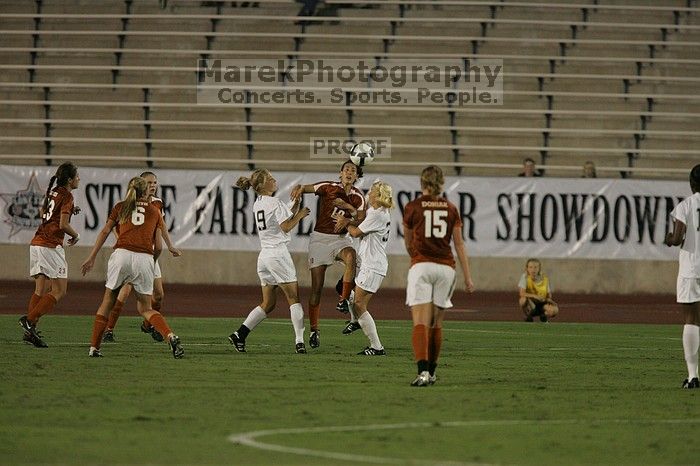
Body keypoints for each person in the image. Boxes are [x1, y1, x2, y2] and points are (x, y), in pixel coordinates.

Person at [81, 176, 184, 359]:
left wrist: (91, 257)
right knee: (146, 308)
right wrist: (151, 262)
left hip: (121, 255)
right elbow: (158, 246)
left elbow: (105, 231)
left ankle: (94, 348)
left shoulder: (121, 206)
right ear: (146, 192)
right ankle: (169, 335)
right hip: (144, 258)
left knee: (107, 302)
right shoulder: (154, 211)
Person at [402, 166, 475, 386]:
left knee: (420, 322)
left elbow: (407, 242)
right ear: (441, 183)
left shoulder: (412, 207)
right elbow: (460, 244)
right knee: (436, 323)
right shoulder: (451, 208)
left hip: (422, 266)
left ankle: (422, 372)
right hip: (446, 268)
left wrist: (416, 258)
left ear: (421, 182)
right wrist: (468, 277)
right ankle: (432, 373)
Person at [228, 169, 311, 353]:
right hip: (278, 254)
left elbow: (282, 215)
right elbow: (286, 225)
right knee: (293, 298)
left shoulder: (258, 203)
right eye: (270, 179)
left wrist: (295, 204)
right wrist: (301, 214)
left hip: (264, 256)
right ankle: (299, 342)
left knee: (269, 304)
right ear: (262, 185)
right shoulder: (274, 202)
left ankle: (240, 334)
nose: (275, 180)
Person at [290, 160, 366, 349]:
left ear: (357, 176)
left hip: (340, 239)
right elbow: (303, 187)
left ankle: (343, 299)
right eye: (346, 169)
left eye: (353, 170)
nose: (349, 172)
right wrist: (297, 191)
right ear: (340, 173)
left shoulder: (358, 196)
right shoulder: (328, 187)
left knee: (351, 256)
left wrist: (348, 215)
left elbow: (362, 219)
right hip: (320, 239)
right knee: (317, 289)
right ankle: (314, 330)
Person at [102, 171, 182, 343]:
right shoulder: (129, 203)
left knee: (159, 295)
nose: (152, 186)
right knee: (123, 292)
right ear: (141, 185)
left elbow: (162, 226)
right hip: (133, 253)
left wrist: (170, 246)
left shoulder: (158, 204)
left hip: (150, 253)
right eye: (149, 183)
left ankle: (148, 325)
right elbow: (117, 226)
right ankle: (109, 329)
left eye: (155, 182)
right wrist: (122, 241)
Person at [19, 162, 81, 348]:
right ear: (70, 180)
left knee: (40, 290)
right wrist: (75, 235)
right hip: (50, 246)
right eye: (77, 176)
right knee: (60, 290)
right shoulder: (67, 195)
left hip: (37, 243)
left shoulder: (54, 191)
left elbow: (42, 212)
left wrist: (71, 211)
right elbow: (62, 225)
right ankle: (29, 320)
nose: (79, 179)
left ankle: (30, 332)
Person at [331, 180, 393, 355]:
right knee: (342, 286)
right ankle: (355, 320)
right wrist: (347, 207)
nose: (369, 193)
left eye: (372, 191)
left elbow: (356, 232)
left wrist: (345, 222)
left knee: (359, 304)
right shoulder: (377, 211)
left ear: (378, 196)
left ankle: (376, 347)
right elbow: (361, 217)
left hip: (373, 265)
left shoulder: (378, 214)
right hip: (369, 263)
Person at [664, 163, 700, 389]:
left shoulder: (686, 205)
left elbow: (677, 239)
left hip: (691, 269)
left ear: (691, 183)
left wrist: (668, 238)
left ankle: (693, 376)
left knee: (692, 320)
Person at [518, 258, 559, 322]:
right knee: (522, 300)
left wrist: (549, 300)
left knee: (555, 310)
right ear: (527, 268)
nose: (533, 270)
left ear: (539, 268)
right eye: (530, 267)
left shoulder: (544, 278)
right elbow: (522, 293)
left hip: (542, 302)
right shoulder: (525, 277)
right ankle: (528, 316)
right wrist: (535, 296)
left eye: (535, 267)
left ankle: (543, 315)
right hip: (531, 303)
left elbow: (549, 295)